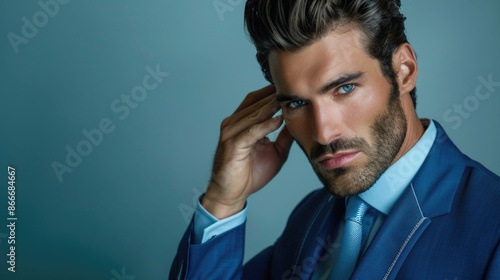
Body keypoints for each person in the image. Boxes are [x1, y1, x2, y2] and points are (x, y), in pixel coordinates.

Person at [170, 0, 500, 279]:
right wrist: (223, 201)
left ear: (404, 70)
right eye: (296, 103)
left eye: (344, 88)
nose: (324, 133)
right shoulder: (309, 217)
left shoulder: (492, 226)